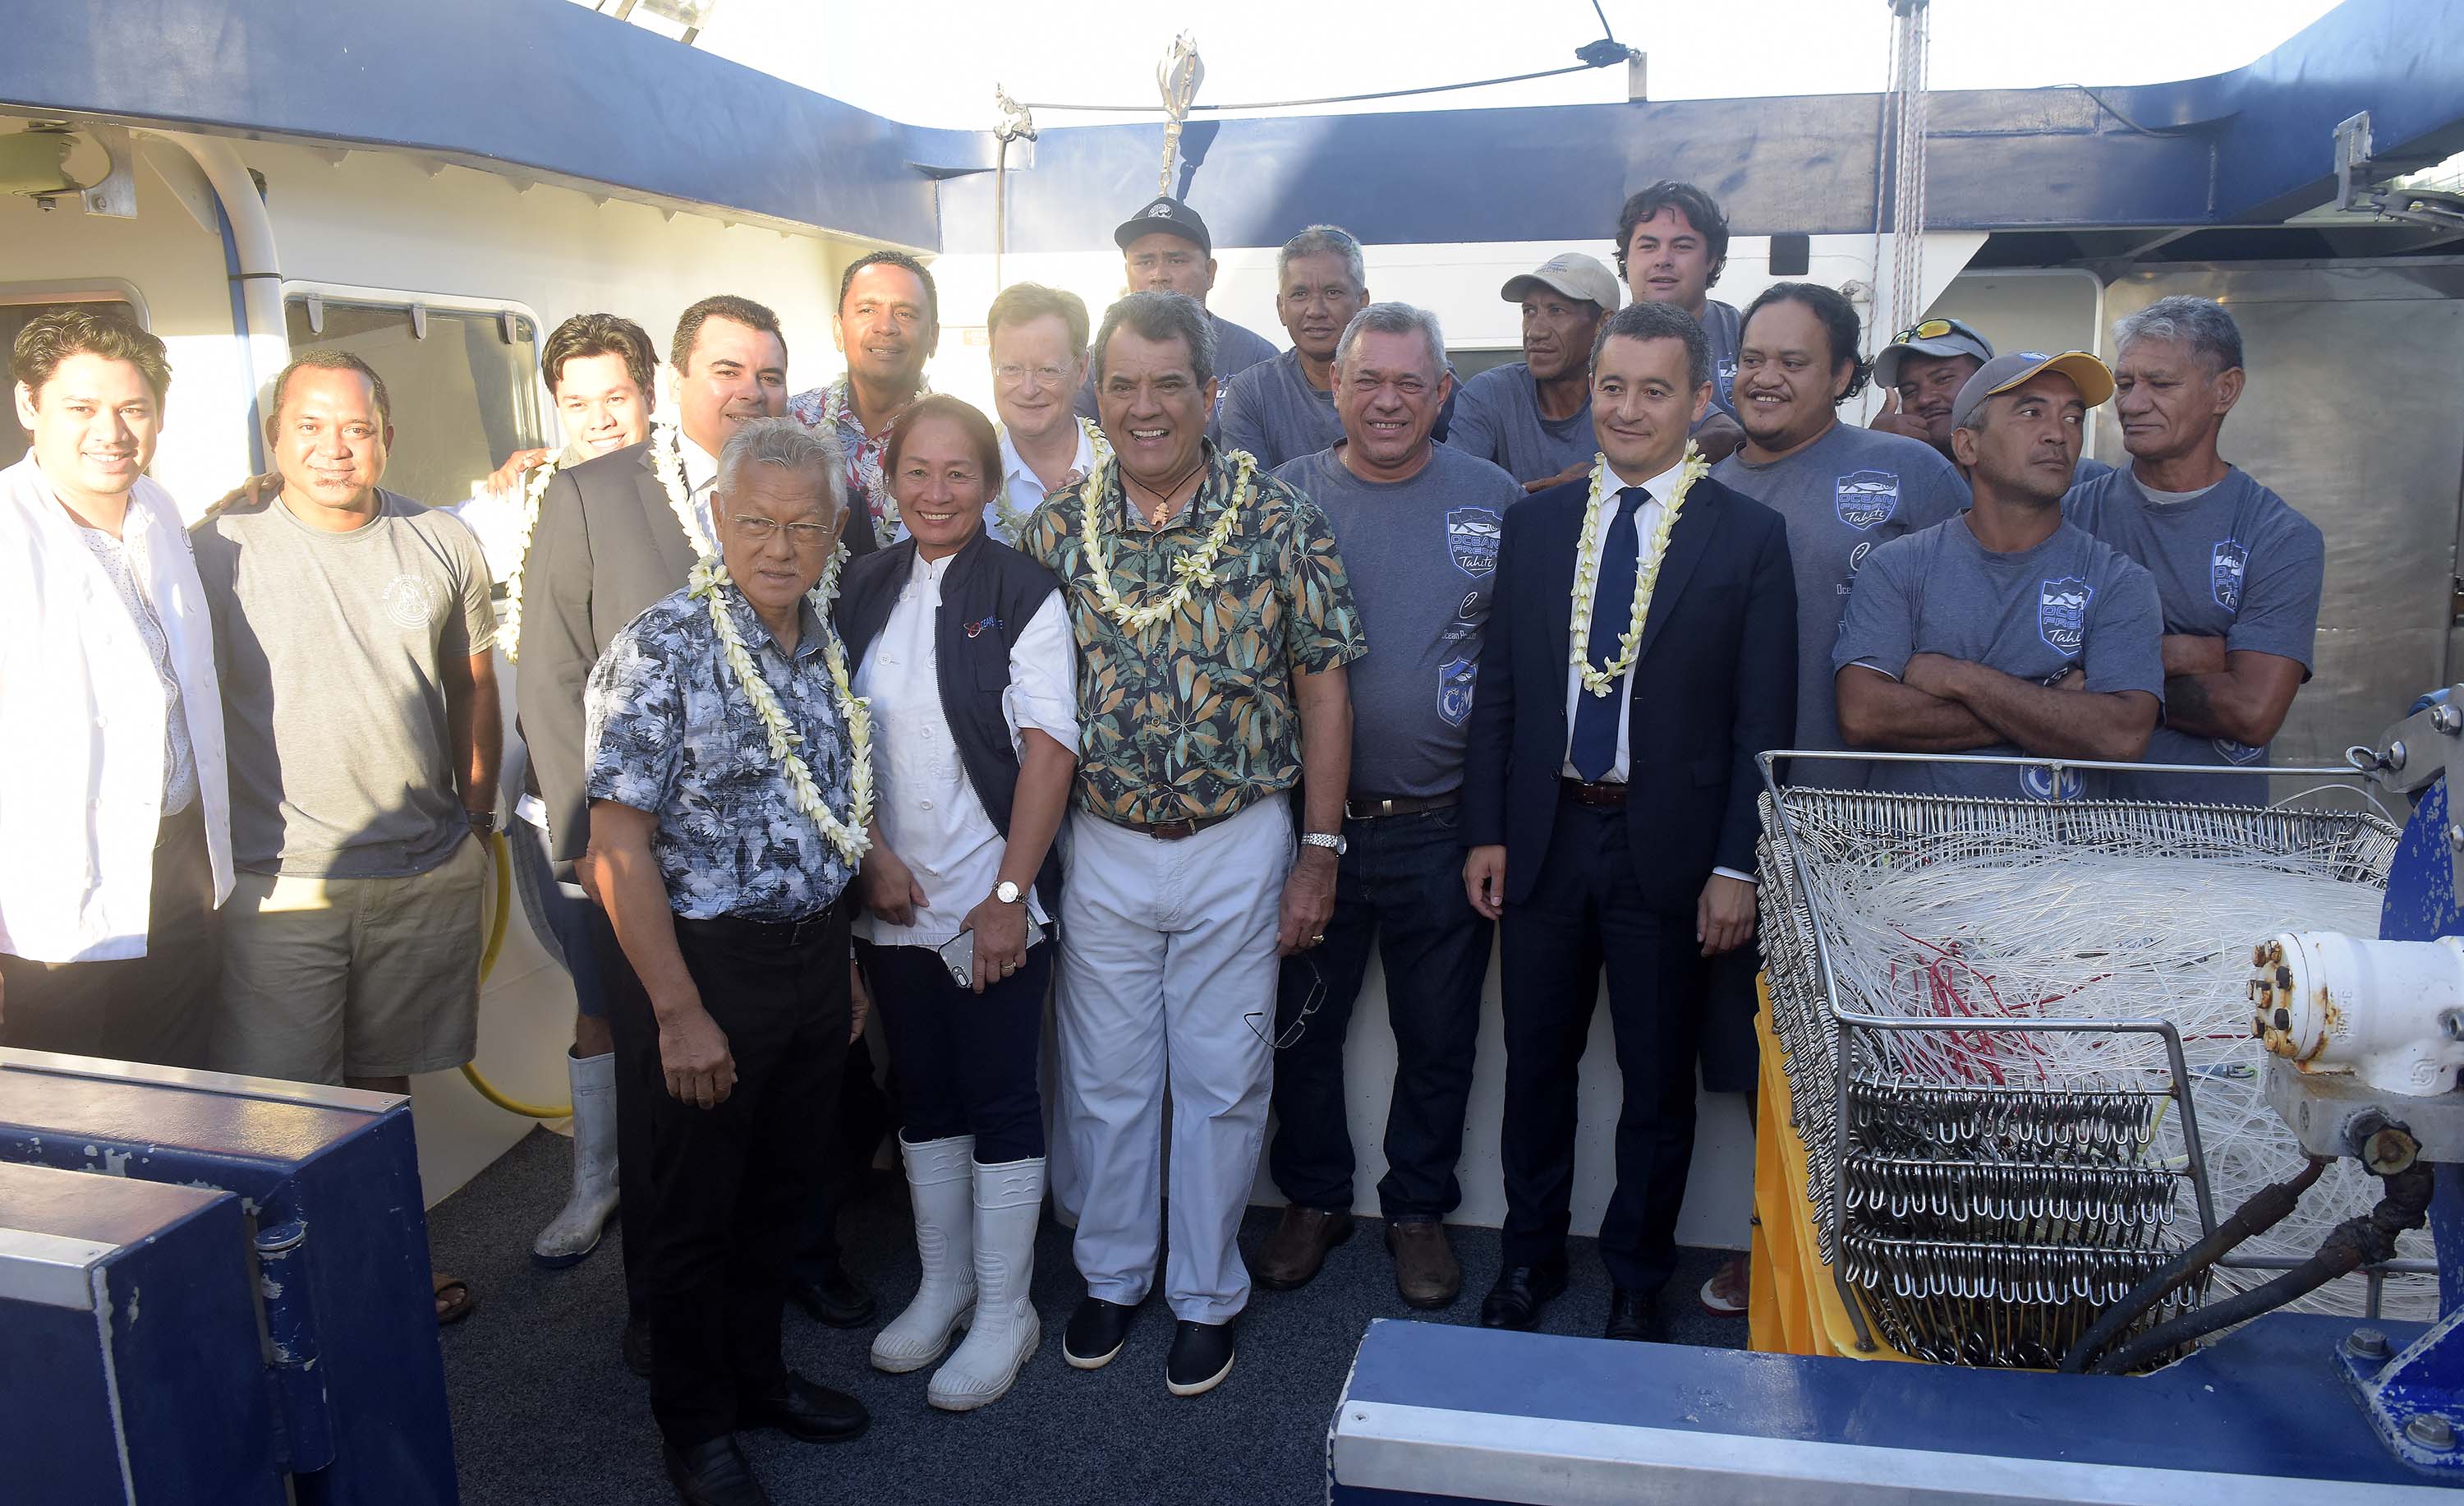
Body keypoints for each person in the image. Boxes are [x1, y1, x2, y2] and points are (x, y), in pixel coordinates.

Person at [1020, 290, 1364, 1397]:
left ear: (1210, 393)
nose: (1144, 407)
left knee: (1220, 1081)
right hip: (1105, 845)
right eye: (1122, 384)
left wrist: (1319, 851)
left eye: (1168, 383)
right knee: (1107, 1081)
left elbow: (1324, 692)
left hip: (1239, 842)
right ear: (1098, 394)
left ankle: (1207, 1292)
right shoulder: (1052, 531)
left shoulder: (1279, 518)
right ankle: (1114, 1275)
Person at [518, 294, 871, 1368]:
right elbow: (552, 681)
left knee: (773, 1166)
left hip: (800, 935)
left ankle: (756, 1362)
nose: (750, 389)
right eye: (727, 370)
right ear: (678, 381)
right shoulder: (598, 508)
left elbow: (827, 766)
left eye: (769, 373)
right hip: (664, 907)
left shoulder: (815, 600)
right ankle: (682, 1382)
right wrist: (602, 873)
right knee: (684, 1170)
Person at [1461, 301, 1795, 1343]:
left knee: (1657, 1080)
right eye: (1613, 387)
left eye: (1657, 390)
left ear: (1702, 401)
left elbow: (1761, 722)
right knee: (1536, 1067)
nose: (1629, 409)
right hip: (1548, 838)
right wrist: (1488, 830)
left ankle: (1639, 1274)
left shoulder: (1748, 536)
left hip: (1670, 851)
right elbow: (1502, 695)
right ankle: (1527, 1259)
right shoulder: (1536, 521)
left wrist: (1736, 865)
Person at [582, 417, 870, 1506]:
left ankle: (759, 1383)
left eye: (803, 525)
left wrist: (839, 963)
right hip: (704, 970)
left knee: (781, 1198)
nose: (780, 546)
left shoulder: (821, 644)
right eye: (756, 522)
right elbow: (615, 847)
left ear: (835, 528)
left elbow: (824, 819)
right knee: (694, 1213)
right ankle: (695, 1428)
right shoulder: (663, 649)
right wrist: (676, 1011)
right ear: (717, 521)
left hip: (808, 960)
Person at [195, 349, 499, 1326]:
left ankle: (384, 1269)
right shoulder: (216, 549)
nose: (334, 448)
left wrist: (478, 822)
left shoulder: (444, 540)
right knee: (281, 1108)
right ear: (276, 440)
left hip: (421, 869)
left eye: (355, 428)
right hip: (277, 882)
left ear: (387, 437)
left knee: (381, 1091)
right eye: (309, 428)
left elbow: (476, 685)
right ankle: (291, 1302)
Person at [1253, 303, 1519, 1310]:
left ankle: (1417, 1212)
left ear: (1444, 393)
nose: (1389, 400)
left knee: (1439, 1035)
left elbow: (1514, 677)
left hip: (1442, 826)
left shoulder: (1494, 499)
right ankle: (1313, 1198)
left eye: (1412, 382)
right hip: (1305, 826)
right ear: (1336, 387)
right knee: (1301, 1030)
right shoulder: (1283, 498)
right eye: (1370, 380)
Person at [834, 394, 1078, 1411]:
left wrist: (1008, 896)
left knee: (999, 1095)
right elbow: (834, 732)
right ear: (890, 484)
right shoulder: (861, 584)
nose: (938, 492)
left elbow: (1049, 751)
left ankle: (1005, 1310)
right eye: (918, 473)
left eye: (959, 473)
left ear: (989, 484)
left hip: (989, 896)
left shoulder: (1025, 589)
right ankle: (943, 1287)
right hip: (890, 894)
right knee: (923, 1095)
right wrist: (873, 859)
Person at [464, 311, 662, 1270]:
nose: (597, 419)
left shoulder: (687, 490)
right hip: (569, 800)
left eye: (614, 398)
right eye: (576, 403)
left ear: (651, 395)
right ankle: (596, 1182)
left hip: (676, 810)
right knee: (597, 999)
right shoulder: (515, 500)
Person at [1, 310, 229, 1069]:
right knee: (63, 1097)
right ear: (29, 406)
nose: (113, 431)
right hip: (47, 885)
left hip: (175, 858)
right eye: (82, 408)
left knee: (172, 1075)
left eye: (133, 409)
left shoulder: (159, 511)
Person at [1835, 351, 2164, 802]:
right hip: (1916, 862)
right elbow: (1865, 716)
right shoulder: (1898, 566)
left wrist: (1962, 680)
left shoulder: (2120, 580)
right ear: (1967, 445)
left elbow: (2120, 738)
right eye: (2031, 412)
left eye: (2072, 418)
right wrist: (2055, 706)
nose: (2058, 434)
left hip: (2064, 865)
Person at [2063, 297, 2323, 804]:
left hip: (2216, 842)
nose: (2132, 404)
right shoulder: (2069, 515)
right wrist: (2198, 653)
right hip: (2067, 831)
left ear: (2225, 390)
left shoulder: (2279, 535)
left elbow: (2251, 711)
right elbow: (2014, 665)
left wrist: (2095, 678)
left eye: (2160, 384)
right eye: (2125, 384)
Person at [1712, 283, 1970, 791]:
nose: (1766, 379)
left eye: (1793, 362)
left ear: (1842, 375)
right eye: (1752, 359)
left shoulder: (1914, 471)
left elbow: (1978, 635)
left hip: (1886, 813)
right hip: (1733, 811)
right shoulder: (1698, 493)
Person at [1073, 196, 1281, 438]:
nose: (1159, 275)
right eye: (1145, 261)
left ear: (1209, 272)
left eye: (1176, 260)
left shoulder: (1257, 359)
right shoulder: (1096, 363)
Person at [789, 251, 940, 549]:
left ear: (933, 337)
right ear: (838, 330)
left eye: (905, 313)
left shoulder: (956, 439)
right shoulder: (790, 422)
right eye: (868, 310)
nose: (885, 327)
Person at [1871, 315, 2112, 486]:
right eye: (1909, 391)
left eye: (1942, 379)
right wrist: (1876, 455)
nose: (1924, 399)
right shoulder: (1891, 474)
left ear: (1985, 381)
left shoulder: (2088, 482)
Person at [1446, 252, 1617, 492]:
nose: (1535, 332)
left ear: (1604, 323)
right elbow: (1452, 492)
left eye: (1556, 311)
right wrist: (1554, 490)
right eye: (1529, 311)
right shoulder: (1489, 394)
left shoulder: (1627, 403)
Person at [1218, 224, 1372, 469]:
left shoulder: (1407, 376)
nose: (1316, 311)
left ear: (1362, 303)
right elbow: (1250, 496)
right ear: (1281, 309)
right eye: (1300, 294)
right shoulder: (1253, 393)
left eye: (1332, 292)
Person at [1614, 180, 1749, 458]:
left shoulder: (1747, 335)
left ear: (1712, 259)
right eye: (1648, 246)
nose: (1663, 259)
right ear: (1627, 258)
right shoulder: (1603, 346)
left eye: (1682, 246)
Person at [988, 283, 1104, 543]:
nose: (1028, 390)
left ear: (1082, 369)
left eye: (1048, 371)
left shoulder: (1120, 471)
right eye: (1011, 369)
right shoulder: (961, 474)